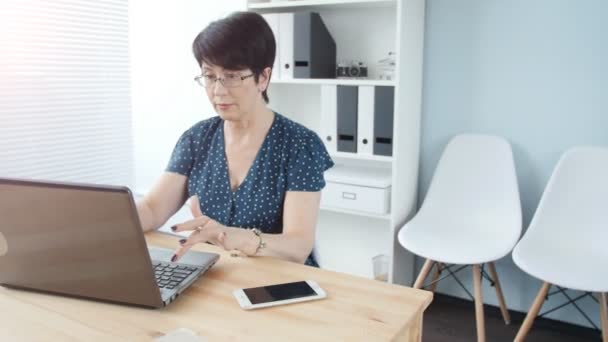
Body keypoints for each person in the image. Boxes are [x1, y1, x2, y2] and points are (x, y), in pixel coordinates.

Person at [136, 11, 334, 267]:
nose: (218, 91)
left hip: (281, 283)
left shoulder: (299, 145)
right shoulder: (196, 139)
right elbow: (153, 209)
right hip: (216, 276)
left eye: (231, 76)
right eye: (209, 76)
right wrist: (98, 222)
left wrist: (233, 237)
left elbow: (298, 245)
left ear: (263, 77)